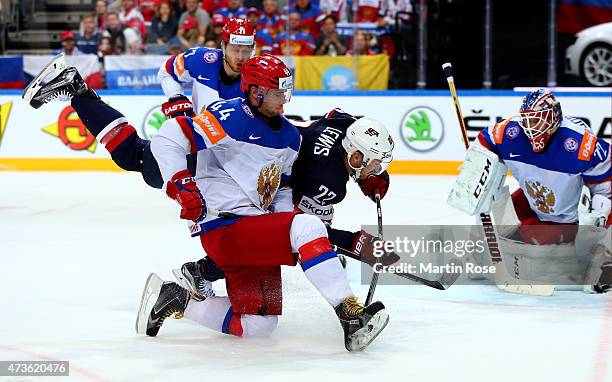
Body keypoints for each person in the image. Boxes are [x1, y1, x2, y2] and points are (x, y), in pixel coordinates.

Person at [136, 54, 389, 350]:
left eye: (286, 91)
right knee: (307, 227)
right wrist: (180, 183)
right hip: (224, 227)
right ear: (255, 92)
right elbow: (169, 136)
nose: (284, 100)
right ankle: (350, 314)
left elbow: (280, 190)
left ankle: (174, 298)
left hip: (253, 229)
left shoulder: (290, 138)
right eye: (277, 93)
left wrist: (287, 229)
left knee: (259, 325)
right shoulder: (231, 116)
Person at [175, 108, 399, 301]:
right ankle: (202, 271)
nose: (377, 169)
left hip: (255, 160)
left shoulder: (346, 125)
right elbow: (303, 230)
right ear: (356, 158)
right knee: (264, 241)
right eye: (376, 164)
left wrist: (367, 174)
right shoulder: (328, 182)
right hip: (246, 181)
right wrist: (355, 242)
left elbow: (334, 114)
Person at [448, 89, 611, 292]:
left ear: (553, 118)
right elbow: (485, 139)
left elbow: (605, 184)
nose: (530, 128)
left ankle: (603, 265)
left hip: (565, 217)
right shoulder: (511, 133)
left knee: (529, 240)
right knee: (492, 207)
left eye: (536, 121)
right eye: (526, 121)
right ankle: (479, 256)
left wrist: (598, 223)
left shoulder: (579, 145)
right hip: (533, 199)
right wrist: (478, 162)